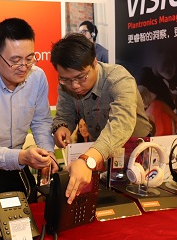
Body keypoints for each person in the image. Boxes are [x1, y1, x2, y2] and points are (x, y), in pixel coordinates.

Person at [50, 33, 151, 203]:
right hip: (100, 152)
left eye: (81, 77)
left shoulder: (118, 79)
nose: (74, 86)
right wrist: (62, 126)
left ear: (94, 62)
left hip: (136, 151)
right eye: (66, 79)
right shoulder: (66, 86)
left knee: (135, 203)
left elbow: (121, 124)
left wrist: (87, 160)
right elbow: (65, 114)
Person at [0, 18, 58, 195]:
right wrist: (21, 157)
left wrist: (48, 153)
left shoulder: (37, 77)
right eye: (15, 60)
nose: (24, 67)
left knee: (30, 205)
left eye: (29, 58)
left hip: (18, 160)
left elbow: (41, 121)